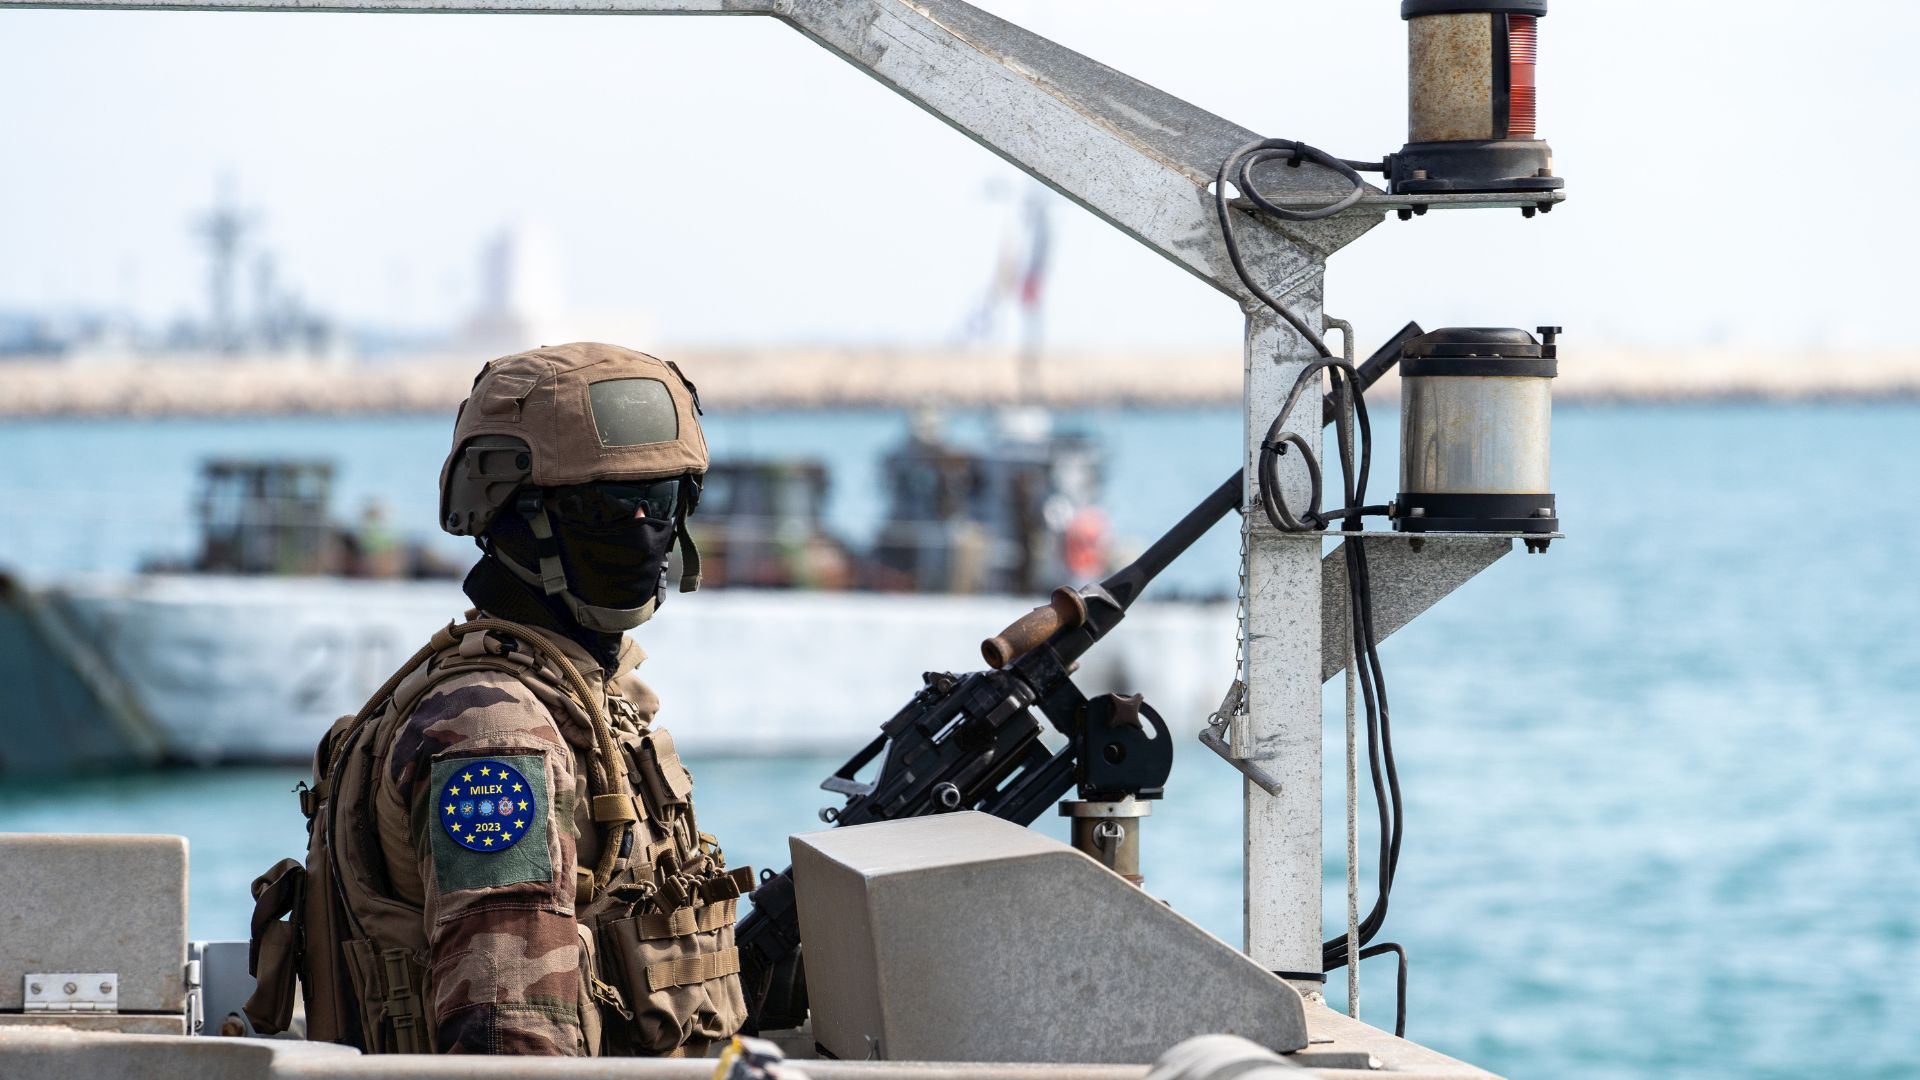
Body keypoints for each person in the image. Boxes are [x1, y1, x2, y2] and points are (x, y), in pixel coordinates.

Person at [247, 343, 750, 1056]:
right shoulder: (495, 733)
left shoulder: (581, 698)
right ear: (513, 512)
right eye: (602, 506)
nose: (643, 528)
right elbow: (512, 1047)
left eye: (664, 500)